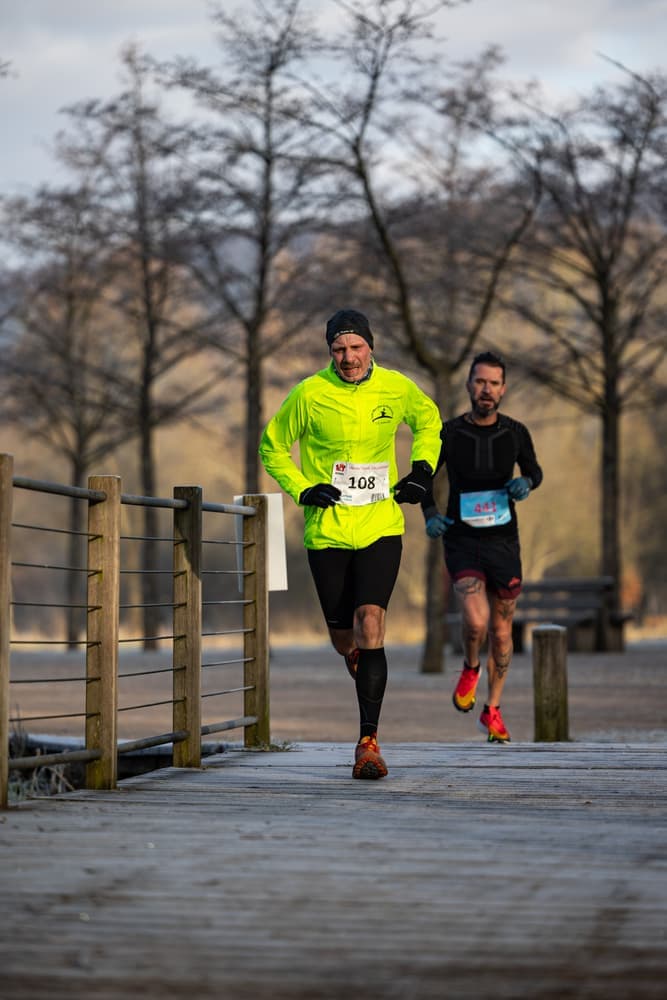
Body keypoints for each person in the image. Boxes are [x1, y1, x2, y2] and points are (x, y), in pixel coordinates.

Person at [259, 308, 442, 779]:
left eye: (356, 347)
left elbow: (429, 421)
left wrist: (422, 469)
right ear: (329, 353)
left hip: (382, 524)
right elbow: (271, 447)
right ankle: (358, 656)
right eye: (339, 349)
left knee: (371, 622)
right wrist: (301, 488)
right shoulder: (309, 394)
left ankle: (368, 742)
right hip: (328, 531)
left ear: (371, 347)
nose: (348, 357)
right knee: (345, 639)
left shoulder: (396, 387)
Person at [422, 350, 543, 743]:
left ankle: (492, 710)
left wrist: (526, 483)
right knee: (475, 621)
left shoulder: (515, 432)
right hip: (461, 537)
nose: (486, 389)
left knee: (503, 633)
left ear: (503, 389)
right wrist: (429, 514)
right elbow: (424, 475)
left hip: (503, 541)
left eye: (493, 383)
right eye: (479, 381)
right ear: (469, 385)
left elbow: (534, 471)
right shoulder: (450, 432)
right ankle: (471, 667)